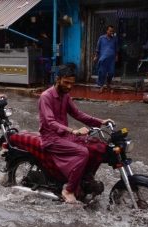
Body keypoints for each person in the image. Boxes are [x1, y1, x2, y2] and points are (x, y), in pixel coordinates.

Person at [38, 64, 114, 204]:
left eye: (71, 83)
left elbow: (78, 114)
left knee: (98, 147)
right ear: (58, 79)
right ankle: (68, 190)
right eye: (66, 82)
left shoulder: (65, 96)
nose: (69, 86)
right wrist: (74, 131)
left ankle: (85, 179)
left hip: (64, 136)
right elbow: (50, 122)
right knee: (82, 152)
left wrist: (101, 121)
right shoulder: (46, 97)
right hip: (50, 138)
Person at [93, 25, 119, 93]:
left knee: (111, 73)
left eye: (112, 31)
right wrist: (96, 56)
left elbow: (116, 49)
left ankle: (108, 84)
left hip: (111, 59)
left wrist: (116, 56)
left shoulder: (114, 39)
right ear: (107, 30)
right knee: (102, 73)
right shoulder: (101, 38)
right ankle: (101, 86)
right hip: (103, 59)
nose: (111, 32)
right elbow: (97, 48)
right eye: (110, 31)